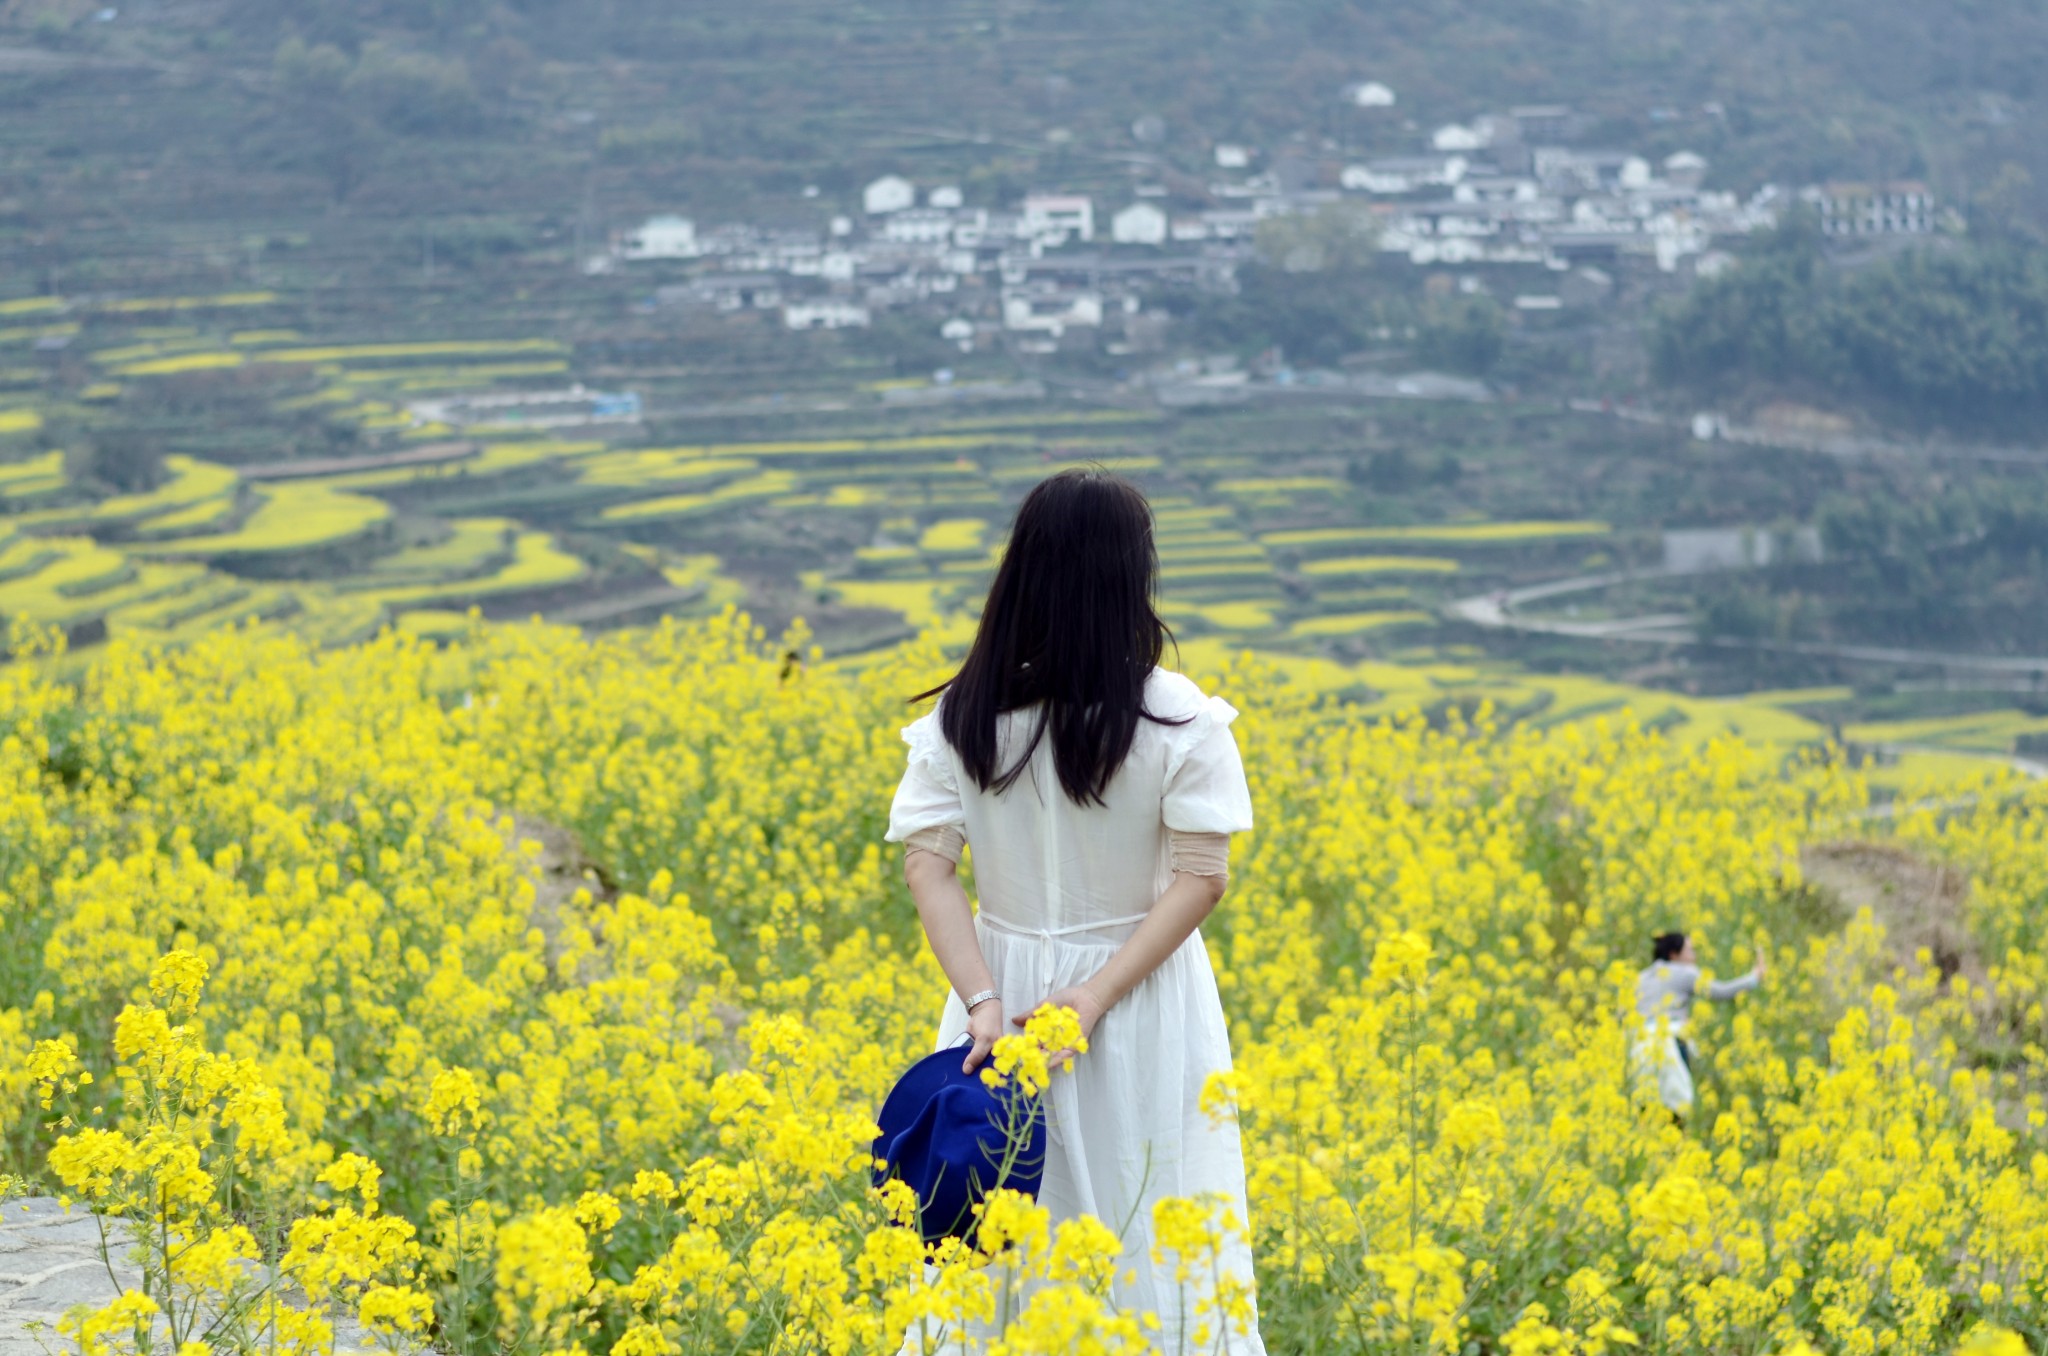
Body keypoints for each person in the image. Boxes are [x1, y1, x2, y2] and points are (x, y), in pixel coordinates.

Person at [884, 468, 1265, 1353]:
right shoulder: (1179, 720)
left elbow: (928, 869)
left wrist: (982, 1000)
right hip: (1136, 999)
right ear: (1132, 578)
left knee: (994, 1236)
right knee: (1149, 1223)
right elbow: (1201, 878)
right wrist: (1091, 999)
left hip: (999, 995)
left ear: (1025, 570)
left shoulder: (964, 717)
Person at [1631, 930, 1766, 1115]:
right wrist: (1754, 978)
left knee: (1646, 1108)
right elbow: (1721, 992)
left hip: (1640, 1045)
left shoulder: (1640, 978)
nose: (1694, 957)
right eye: (1690, 951)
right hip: (1670, 1041)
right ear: (1674, 955)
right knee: (1677, 1110)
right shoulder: (1684, 973)